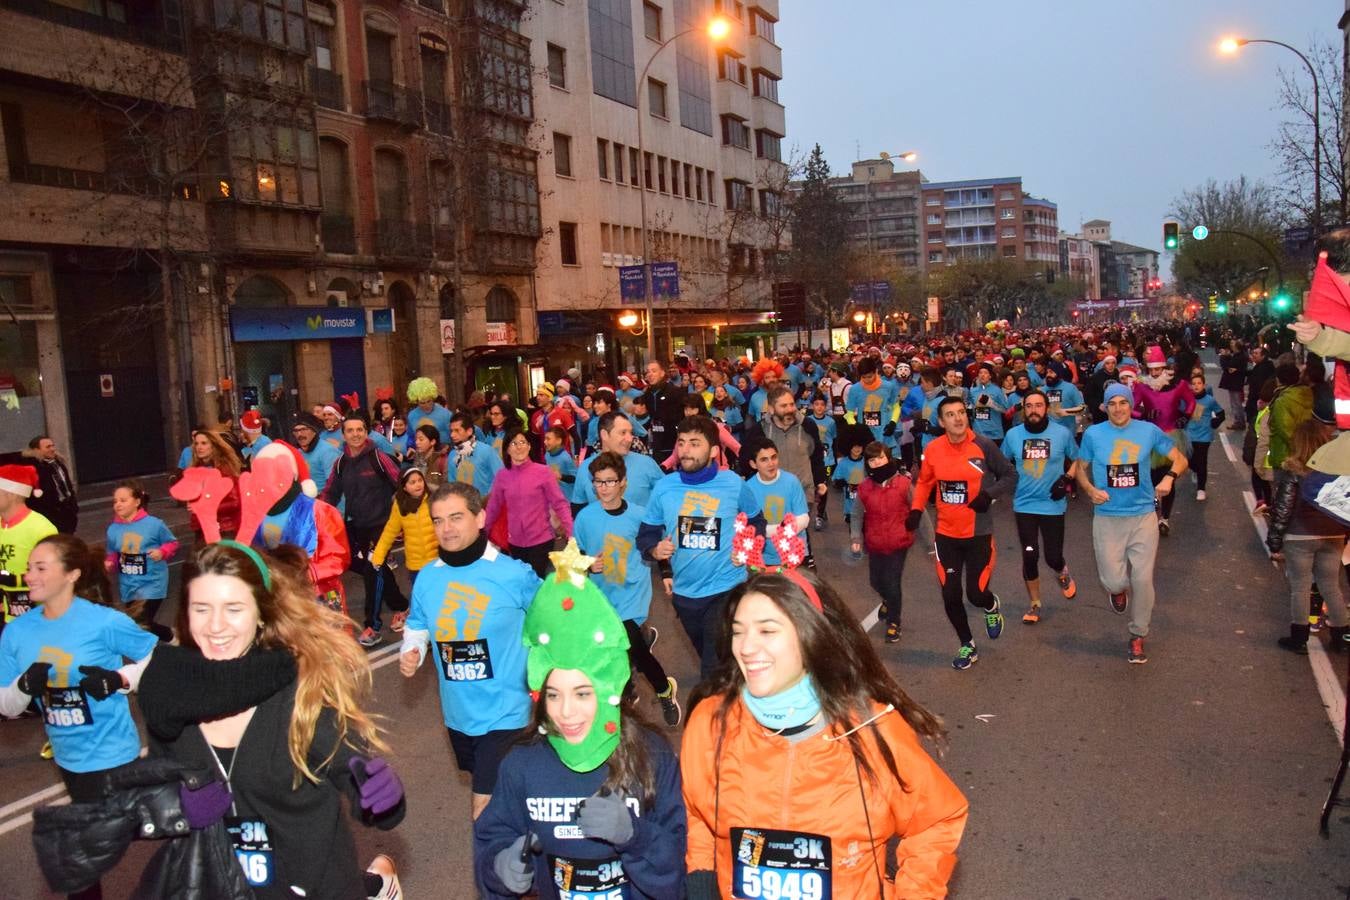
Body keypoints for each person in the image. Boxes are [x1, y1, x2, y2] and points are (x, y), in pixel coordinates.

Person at [140, 541, 406, 899]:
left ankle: (377, 884)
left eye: (233, 608)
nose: (215, 626)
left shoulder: (302, 692)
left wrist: (384, 799)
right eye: (201, 608)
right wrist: (173, 807)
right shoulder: (170, 698)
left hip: (317, 889)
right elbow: (151, 794)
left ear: (261, 612)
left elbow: (358, 782)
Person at [680, 570, 968, 898]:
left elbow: (935, 822)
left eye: (767, 630)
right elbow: (696, 809)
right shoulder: (712, 721)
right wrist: (701, 876)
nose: (746, 647)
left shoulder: (873, 730)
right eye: (738, 631)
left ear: (810, 635)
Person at [474, 545, 686, 898]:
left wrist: (636, 836)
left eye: (583, 694)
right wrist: (499, 868)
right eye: (553, 695)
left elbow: (677, 870)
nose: (566, 712)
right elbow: (492, 839)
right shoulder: (522, 765)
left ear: (608, 694)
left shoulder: (651, 756)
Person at [0, 534, 157, 900]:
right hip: (68, 757)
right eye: (29, 568)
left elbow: (158, 657)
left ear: (71, 574)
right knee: (101, 839)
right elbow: (6, 705)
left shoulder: (103, 623)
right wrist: (24, 687)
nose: (30, 576)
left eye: (41, 567)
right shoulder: (17, 632)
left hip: (114, 754)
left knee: (87, 848)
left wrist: (122, 679)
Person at [399, 482, 542, 820]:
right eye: (437, 521)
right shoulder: (427, 578)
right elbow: (418, 623)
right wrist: (413, 649)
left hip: (508, 713)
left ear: (480, 518)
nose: (445, 529)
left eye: (455, 518)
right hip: (460, 714)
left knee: (484, 809)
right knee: (504, 798)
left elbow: (551, 619)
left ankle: (500, 869)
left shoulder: (513, 574)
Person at [637, 416, 762, 680]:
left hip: (727, 588)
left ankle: (717, 713)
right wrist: (654, 550)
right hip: (685, 595)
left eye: (695, 443)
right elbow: (646, 535)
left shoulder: (733, 484)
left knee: (712, 669)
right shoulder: (664, 487)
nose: (685, 450)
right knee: (711, 656)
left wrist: (745, 549)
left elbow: (756, 521)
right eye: (681, 443)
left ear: (714, 451)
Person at [1076, 382, 1188, 664]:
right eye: (1112, 403)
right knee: (1112, 580)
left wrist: (1168, 478)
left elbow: (1180, 459)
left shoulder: (1148, 432)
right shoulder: (1093, 434)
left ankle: (1138, 634)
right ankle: (1118, 590)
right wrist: (1090, 490)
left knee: (1143, 579)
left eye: (1123, 402)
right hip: (1107, 518)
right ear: (1105, 407)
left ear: (1131, 405)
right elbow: (1080, 468)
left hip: (1142, 516)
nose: (1118, 408)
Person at [906, 395, 1017, 670]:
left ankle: (991, 606)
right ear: (941, 421)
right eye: (950, 415)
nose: (957, 418)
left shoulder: (983, 445)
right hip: (946, 534)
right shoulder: (933, 449)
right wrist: (917, 509)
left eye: (961, 413)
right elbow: (924, 483)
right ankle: (967, 644)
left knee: (976, 594)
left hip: (978, 532)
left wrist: (988, 494)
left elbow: (1010, 475)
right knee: (950, 595)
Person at [573, 452, 680, 726]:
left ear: (623, 483)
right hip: (602, 594)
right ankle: (629, 677)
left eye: (610, 482)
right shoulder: (585, 518)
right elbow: (575, 557)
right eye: (598, 482)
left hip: (633, 590)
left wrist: (666, 572)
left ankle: (663, 690)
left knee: (630, 643)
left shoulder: (640, 515)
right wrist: (587, 565)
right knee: (615, 650)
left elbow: (654, 548)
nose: (604, 488)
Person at [1266, 399, 1350, 653]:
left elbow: (1282, 508)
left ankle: (1299, 637)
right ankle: (1340, 636)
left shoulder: (1294, 470)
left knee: (1300, 587)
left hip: (1300, 535)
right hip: (1333, 533)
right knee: (1330, 585)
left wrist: (1275, 540)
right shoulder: (1335, 469)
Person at [320, 412, 403, 647]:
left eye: (360, 430)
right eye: (350, 430)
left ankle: (372, 626)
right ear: (343, 434)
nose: (355, 434)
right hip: (358, 525)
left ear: (366, 432)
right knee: (375, 568)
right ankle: (401, 606)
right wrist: (316, 515)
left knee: (373, 570)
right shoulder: (341, 463)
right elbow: (330, 493)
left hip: (382, 525)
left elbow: (402, 483)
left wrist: (405, 517)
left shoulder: (378, 457)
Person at [1000, 390, 1078, 625]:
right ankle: (1035, 604)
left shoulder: (1062, 433)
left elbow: (1078, 459)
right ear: (1024, 409)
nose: (1034, 410)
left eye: (1039, 405)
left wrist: (1066, 479)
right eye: (1029, 406)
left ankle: (1061, 571)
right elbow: (1002, 463)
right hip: (1024, 505)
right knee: (1030, 554)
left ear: (1046, 408)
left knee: (1053, 557)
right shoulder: (1013, 435)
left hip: (1052, 504)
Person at [484, 427, 573, 577]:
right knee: (521, 582)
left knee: (535, 581)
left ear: (529, 446)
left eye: (523, 442)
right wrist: (482, 533)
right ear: (507, 450)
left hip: (541, 540)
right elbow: (493, 507)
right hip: (514, 542)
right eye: (514, 443)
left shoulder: (543, 472)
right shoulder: (502, 476)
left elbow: (560, 503)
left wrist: (571, 532)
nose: (519, 447)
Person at [850, 442, 916, 643]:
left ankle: (894, 622)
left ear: (888, 457)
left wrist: (932, 546)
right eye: (872, 459)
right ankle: (887, 602)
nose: (877, 462)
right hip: (875, 542)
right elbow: (856, 515)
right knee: (876, 581)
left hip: (899, 542)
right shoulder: (865, 488)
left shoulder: (904, 484)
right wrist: (855, 537)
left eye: (880, 457)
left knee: (892, 583)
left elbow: (918, 511)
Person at [104, 479, 177, 640]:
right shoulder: (113, 529)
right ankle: (166, 639)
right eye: (115, 501)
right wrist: (110, 562)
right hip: (129, 584)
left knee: (141, 621)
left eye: (123, 500)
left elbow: (172, 542)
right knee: (136, 624)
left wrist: (162, 552)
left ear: (137, 501)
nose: (118, 504)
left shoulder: (154, 524)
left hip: (152, 581)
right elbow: (113, 552)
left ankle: (170, 638)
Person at [371, 468, 437, 634]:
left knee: (439, 598)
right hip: (416, 565)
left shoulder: (434, 500)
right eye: (412, 482)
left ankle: (439, 630)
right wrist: (378, 556)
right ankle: (426, 632)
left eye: (420, 480)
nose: (418, 485)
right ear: (404, 487)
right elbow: (389, 532)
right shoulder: (399, 505)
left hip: (438, 560)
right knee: (422, 600)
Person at [0, 464, 58, 623]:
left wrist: (12, 580)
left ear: (10, 493)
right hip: (8, 620)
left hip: (39, 620)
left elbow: (55, 576)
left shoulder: (40, 528)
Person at [742, 437, 811, 568]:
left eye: (774, 457)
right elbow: (748, 527)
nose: (771, 463)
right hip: (763, 558)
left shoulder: (792, 481)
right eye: (764, 460)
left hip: (793, 555)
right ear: (753, 464)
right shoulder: (747, 489)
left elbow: (803, 519)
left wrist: (767, 531)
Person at [571, 412, 665, 508]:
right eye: (623, 433)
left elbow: (669, 497)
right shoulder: (585, 468)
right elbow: (578, 508)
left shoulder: (647, 464)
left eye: (631, 433)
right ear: (604, 435)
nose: (630, 439)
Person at [185, 429, 242, 541]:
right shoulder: (195, 470)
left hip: (223, 529)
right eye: (196, 443)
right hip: (201, 529)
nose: (199, 447)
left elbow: (235, 502)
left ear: (213, 446)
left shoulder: (225, 470)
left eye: (204, 443)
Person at [25, 435, 78, 534]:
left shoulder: (58, 463)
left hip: (66, 513)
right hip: (49, 515)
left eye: (53, 446)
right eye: (48, 447)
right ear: (37, 450)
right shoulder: (34, 469)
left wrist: (73, 506)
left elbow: (68, 485)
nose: (52, 449)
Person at [1185, 372, 1224, 501]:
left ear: (1204, 385)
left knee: (1202, 462)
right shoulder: (1187, 399)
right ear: (1190, 386)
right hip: (1189, 435)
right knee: (1189, 461)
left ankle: (1201, 489)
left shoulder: (1209, 400)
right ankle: (1195, 470)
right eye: (1193, 384)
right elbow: (1179, 412)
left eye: (1199, 383)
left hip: (1204, 436)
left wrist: (1216, 421)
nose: (1196, 386)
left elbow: (1221, 413)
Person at [642, 361, 688, 460]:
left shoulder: (675, 392)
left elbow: (683, 415)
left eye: (654, 371)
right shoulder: (647, 394)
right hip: (656, 443)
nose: (650, 374)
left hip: (674, 441)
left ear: (662, 373)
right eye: (648, 372)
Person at [291, 413, 342, 497]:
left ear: (314, 431)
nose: (299, 434)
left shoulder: (328, 452)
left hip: (327, 504)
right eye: (296, 431)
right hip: (307, 502)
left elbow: (335, 486)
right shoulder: (298, 452)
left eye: (304, 429)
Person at [406, 376, 452, 445]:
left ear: (433, 398)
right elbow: (410, 437)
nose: (426, 405)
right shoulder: (412, 415)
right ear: (416, 401)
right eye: (422, 403)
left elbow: (454, 436)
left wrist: (448, 447)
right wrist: (410, 447)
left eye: (429, 401)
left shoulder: (446, 414)